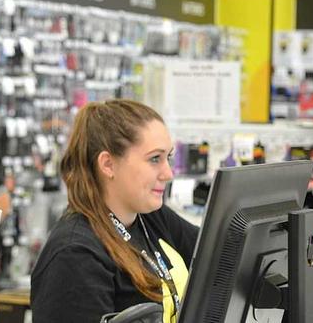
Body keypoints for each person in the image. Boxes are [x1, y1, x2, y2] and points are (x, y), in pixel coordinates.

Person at [31, 99, 196, 323]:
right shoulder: (74, 254)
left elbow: (219, 253)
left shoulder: (152, 217)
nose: (168, 173)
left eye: (168, 157)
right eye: (154, 159)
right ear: (108, 164)